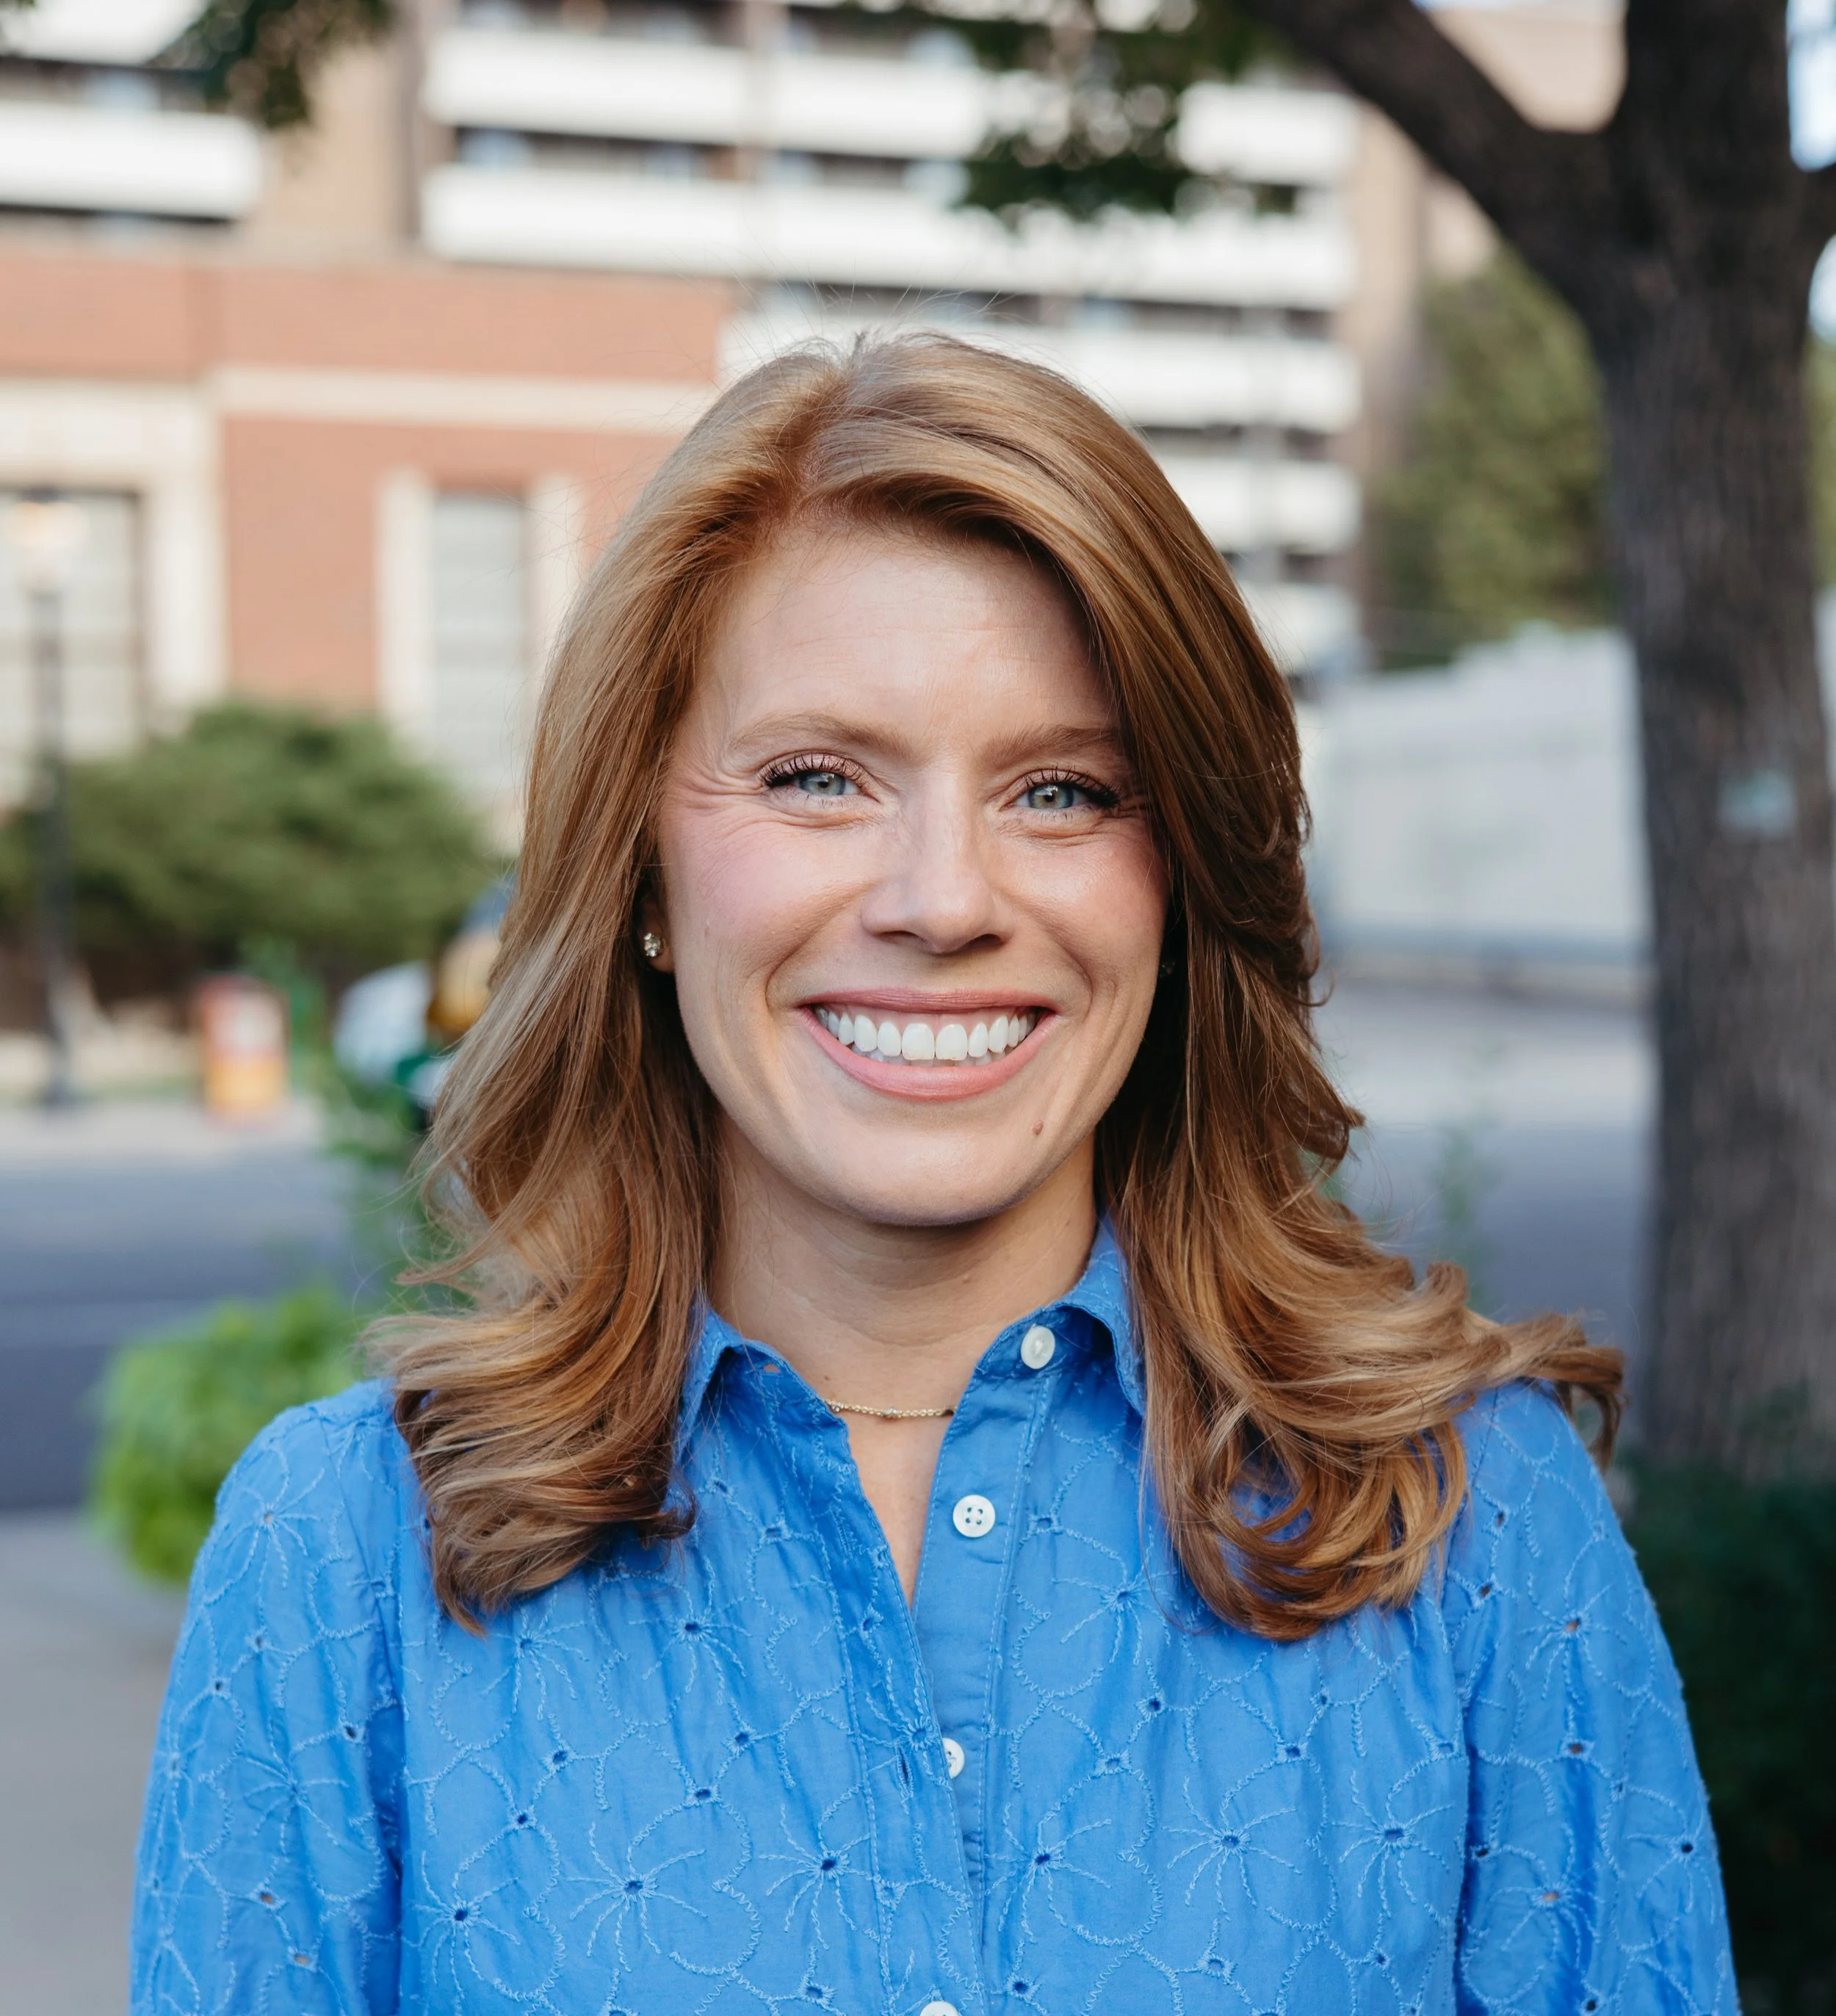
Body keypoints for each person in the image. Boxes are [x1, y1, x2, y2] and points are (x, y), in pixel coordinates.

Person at [131, 337, 1735, 2014]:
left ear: (1179, 879)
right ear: (645, 870)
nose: (943, 898)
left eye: (1063, 790)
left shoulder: (1471, 1520)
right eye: (816, 778)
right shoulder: (340, 1563)